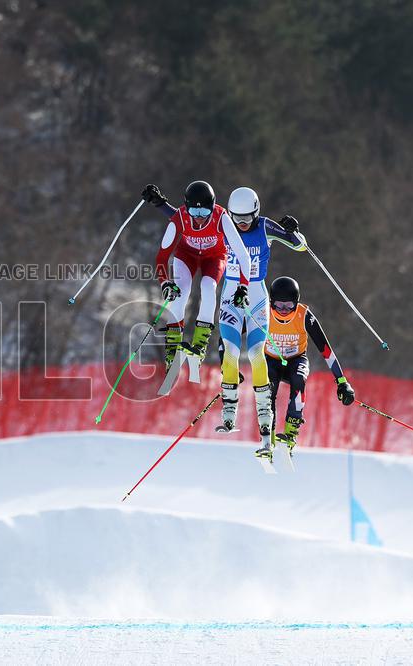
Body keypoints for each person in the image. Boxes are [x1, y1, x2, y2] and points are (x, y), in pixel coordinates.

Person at [217, 187, 306, 453]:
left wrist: (293, 230)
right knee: (231, 353)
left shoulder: (266, 226)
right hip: (230, 295)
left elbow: (300, 245)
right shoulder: (224, 225)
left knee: (257, 354)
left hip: (256, 295)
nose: (241, 225)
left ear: (256, 212)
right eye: (236, 219)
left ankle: (265, 419)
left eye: (246, 218)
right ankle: (229, 410)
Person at [142, 181, 252, 374]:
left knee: (208, 288)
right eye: (194, 213)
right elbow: (161, 257)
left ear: (212, 207)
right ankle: (172, 348)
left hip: (214, 257)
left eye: (204, 214)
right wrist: (165, 283)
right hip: (187, 256)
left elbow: (243, 256)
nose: (199, 219)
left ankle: (200, 344)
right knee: (180, 292)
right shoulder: (180, 218)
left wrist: (243, 287)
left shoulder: (221, 217)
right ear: (186, 207)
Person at [260, 275, 356, 461]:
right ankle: (268, 439)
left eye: (289, 306)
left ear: (296, 302)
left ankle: (290, 434)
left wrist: (342, 382)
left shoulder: (304, 316)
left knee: (298, 378)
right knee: (268, 385)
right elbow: (236, 331)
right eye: (278, 305)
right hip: (271, 360)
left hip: (296, 360)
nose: (283, 310)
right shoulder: (263, 311)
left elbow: (326, 350)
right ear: (271, 302)